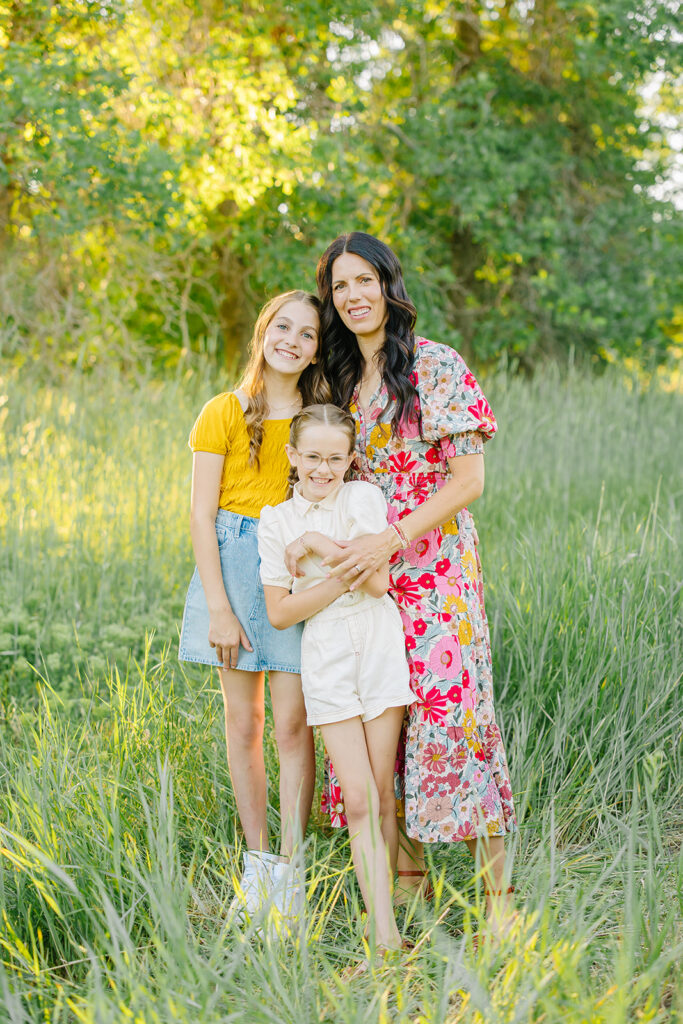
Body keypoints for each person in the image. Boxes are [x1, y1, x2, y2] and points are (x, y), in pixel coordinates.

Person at [311, 232, 517, 934]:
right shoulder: (334, 378)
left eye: (363, 280)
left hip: (435, 575)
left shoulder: (433, 365)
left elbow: (469, 480)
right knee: (376, 726)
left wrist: (394, 537)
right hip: (363, 580)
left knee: (454, 718)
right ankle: (406, 882)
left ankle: (498, 905)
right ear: (330, 300)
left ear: (387, 284)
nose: (353, 295)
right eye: (340, 286)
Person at [178, 290, 329, 922]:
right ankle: (260, 864)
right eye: (283, 327)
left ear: (318, 349)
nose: (292, 341)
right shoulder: (223, 411)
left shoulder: (319, 417)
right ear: (263, 331)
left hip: (291, 567)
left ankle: (292, 873)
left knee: (293, 725)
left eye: (308, 335)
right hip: (233, 566)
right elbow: (200, 513)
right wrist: (218, 606)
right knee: (244, 724)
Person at [257, 403, 414, 963]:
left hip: (377, 646)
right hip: (324, 655)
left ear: (351, 459)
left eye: (334, 458)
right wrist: (334, 566)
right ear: (292, 457)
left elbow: (378, 584)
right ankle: (386, 939)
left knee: (380, 791)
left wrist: (322, 550)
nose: (323, 470)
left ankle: (383, 916)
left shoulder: (363, 498)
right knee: (356, 799)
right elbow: (281, 613)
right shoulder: (276, 522)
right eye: (312, 458)